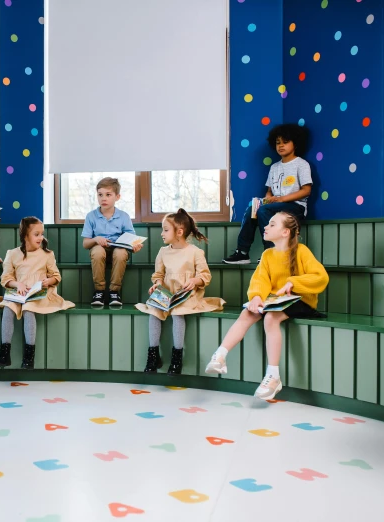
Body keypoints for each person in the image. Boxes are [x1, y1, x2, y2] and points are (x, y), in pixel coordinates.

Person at [207, 212, 328, 400]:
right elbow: (260, 280)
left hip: (301, 300)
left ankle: (273, 376)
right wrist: (256, 297)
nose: (266, 227)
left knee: (271, 318)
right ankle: (220, 355)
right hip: (276, 301)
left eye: (272, 224)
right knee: (247, 313)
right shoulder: (267, 255)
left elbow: (320, 276)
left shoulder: (302, 251)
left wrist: (293, 283)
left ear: (285, 232)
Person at [135, 209, 224, 375]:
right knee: (154, 310)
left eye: (166, 230)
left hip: (186, 294)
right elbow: (158, 275)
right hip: (167, 292)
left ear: (179, 232)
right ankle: (153, 355)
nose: (162, 233)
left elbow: (205, 275)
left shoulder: (195, 252)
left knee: (177, 313)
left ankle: (177, 357)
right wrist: (157, 284)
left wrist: (195, 281)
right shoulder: (163, 252)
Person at [0, 217, 75, 369]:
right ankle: (4, 353)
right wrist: (18, 284)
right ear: (25, 236)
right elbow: (5, 278)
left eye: (42, 234)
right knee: (8, 309)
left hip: (38, 293)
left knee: (29, 310)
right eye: (36, 234)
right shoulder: (13, 254)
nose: (41, 237)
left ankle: (29, 356)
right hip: (19, 292)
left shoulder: (47, 254)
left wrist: (49, 281)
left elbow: (56, 276)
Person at [224, 124, 312, 264]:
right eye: (278, 143)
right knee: (253, 208)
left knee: (264, 210)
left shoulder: (301, 164)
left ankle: (272, 252)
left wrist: (281, 199)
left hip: (295, 207)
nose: (281, 146)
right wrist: (267, 199)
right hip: (275, 205)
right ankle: (242, 252)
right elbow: (269, 191)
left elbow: (306, 190)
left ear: (295, 143)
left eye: (285, 142)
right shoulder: (274, 167)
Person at [81, 177, 142, 306]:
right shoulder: (91, 216)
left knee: (120, 252)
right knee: (97, 251)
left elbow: (133, 240)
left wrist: (135, 246)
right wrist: (96, 239)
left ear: (117, 197)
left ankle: (114, 292)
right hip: (99, 252)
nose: (103, 198)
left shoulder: (124, 216)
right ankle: (99, 291)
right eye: (100, 195)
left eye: (108, 195)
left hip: (118, 252)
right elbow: (85, 244)